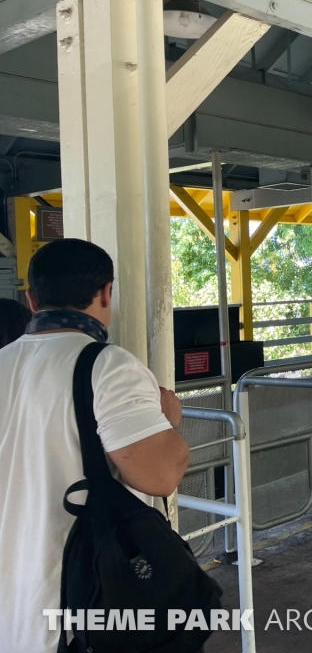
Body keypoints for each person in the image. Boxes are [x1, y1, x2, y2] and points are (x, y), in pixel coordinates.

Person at [0, 238, 189, 653]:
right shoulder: (108, 366)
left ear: (31, 299)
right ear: (106, 292)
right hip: (76, 605)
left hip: (10, 609)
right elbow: (160, 477)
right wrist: (168, 418)